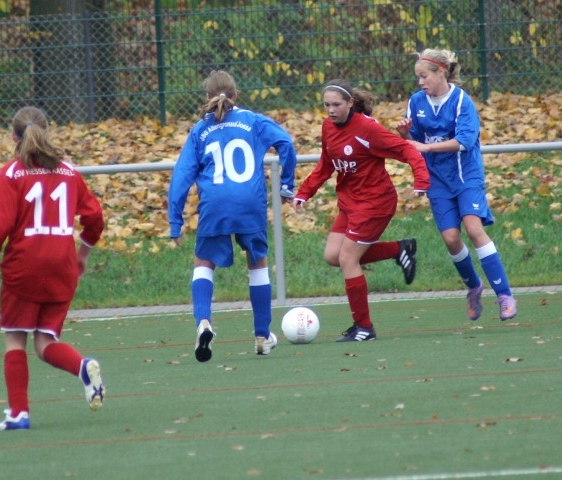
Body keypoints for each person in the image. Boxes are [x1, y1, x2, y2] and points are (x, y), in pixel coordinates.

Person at [0, 106, 106, 431]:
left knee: (16, 340)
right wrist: (82, 254)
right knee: (45, 342)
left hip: (24, 267)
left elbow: (0, 227)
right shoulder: (69, 173)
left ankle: (19, 414)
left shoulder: (11, 173)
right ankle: (82, 366)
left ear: (14, 137)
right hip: (62, 267)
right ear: (47, 132)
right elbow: (95, 218)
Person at [168, 70, 297, 362]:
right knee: (257, 264)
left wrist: (175, 222)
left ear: (206, 97)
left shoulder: (200, 130)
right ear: (236, 95)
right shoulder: (253, 121)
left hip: (215, 203)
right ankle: (262, 336)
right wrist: (287, 185)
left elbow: (181, 177)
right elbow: (286, 144)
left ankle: (203, 322)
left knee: (204, 263)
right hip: (250, 202)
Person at [293, 79, 430, 342]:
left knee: (348, 258)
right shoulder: (328, 126)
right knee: (333, 256)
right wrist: (304, 193)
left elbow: (407, 150)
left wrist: (421, 181)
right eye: (326, 105)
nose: (331, 110)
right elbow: (326, 164)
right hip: (350, 203)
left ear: (350, 103)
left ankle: (364, 327)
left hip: (375, 203)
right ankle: (398, 249)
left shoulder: (368, 129)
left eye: (336, 104)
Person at [396, 48, 517, 321]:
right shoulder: (416, 102)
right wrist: (405, 136)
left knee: (474, 229)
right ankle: (474, 287)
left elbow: (464, 141)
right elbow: (414, 144)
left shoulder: (462, 101)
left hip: (466, 177)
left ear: (441, 72)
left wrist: (426, 147)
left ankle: (505, 295)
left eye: (424, 76)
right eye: (418, 77)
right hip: (437, 180)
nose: (420, 82)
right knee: (451, 238)